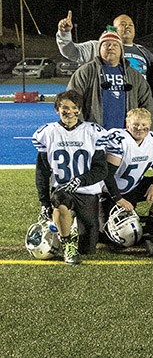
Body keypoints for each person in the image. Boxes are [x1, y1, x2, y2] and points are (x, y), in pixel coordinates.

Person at [32, 90, 109, 264]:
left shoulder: (92, 131)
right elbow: (42, 171)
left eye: (73, 108)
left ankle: (70, 229)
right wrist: (44, 202)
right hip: (63, 189)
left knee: (89, 248)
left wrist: (81, 180)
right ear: (57, 109)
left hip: (87, 190)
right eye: (64, 107)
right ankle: (67, 243)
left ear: (79, 110)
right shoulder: (48, 132)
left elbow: (101, 170)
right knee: (60, 198)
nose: (68, 111)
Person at [102, 108, 153, 235]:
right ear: (127, 124)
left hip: (133, 187)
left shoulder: (152, 140)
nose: (140, 128)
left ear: (149, 126)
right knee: (114, 234)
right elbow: (107, 175)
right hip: (110, 192)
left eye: (144, 125)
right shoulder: (119, 141)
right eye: (135, 124)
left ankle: (151, 228)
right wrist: (119, 199)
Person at [67, 29, 153, 130]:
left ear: (121, 50)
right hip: (93, 135)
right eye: (106, 45)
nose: (111, 47)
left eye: (115, 45)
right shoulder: (86, 72)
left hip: (127, 136)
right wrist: (79, 129)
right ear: (99, 50)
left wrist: (147, 130)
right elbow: (71, 102)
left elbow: (147, 105)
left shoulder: (134, 75)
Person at [56, 11, 153, 78]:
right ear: (113, 29)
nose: (127, 27)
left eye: (131, 25)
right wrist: (64, 33)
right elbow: (71, 52)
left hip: (135, 104)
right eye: (123, 24)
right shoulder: (97, 47)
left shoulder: (143, 51)